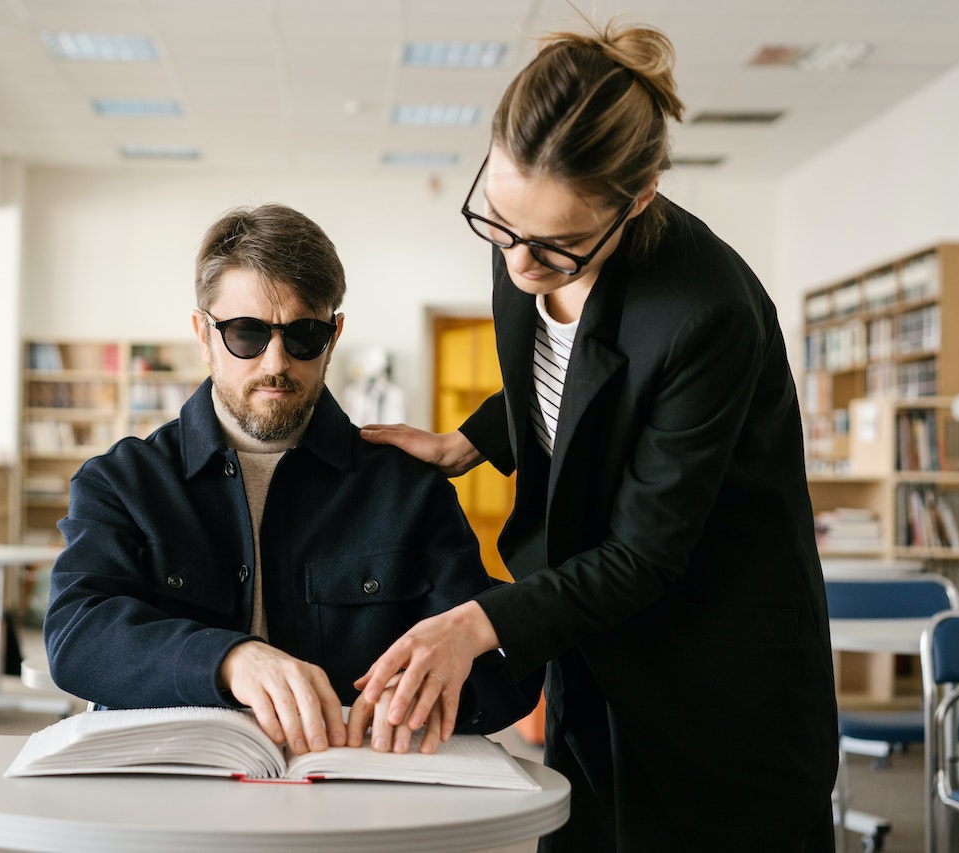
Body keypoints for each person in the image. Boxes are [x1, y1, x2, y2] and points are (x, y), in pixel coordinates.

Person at [355, 18, 839, 852]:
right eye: (499, 222)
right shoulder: (527, 233)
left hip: (717, 668)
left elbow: (646, 553)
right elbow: (566, 382)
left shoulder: (704, 312)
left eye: (557, 245)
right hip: (595, 640)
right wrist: (467, 443)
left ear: (639, 197)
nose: (518, 262)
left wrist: (475, 623)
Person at [44, 203, 541, 758]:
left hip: (358, 798)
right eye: (246, 334)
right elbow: (78, 634)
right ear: (202, 334)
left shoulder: (406, 488)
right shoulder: (122, 482)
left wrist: (437, 692)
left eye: (304, 335)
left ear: (334, 334)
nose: (276, 362)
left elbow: (501, 667)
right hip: (173, 798)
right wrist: (228, 659)